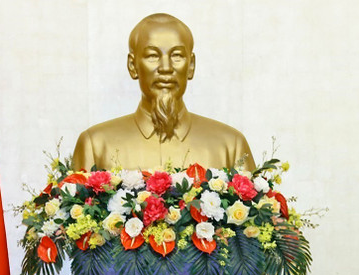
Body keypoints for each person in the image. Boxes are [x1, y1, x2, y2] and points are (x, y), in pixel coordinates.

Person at [72, 13, 256, 172]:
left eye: (177, 55)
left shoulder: (231, 146)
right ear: (132, 65)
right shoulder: (96, 145)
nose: (166, 68)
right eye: (152, 56)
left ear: (191, 66)